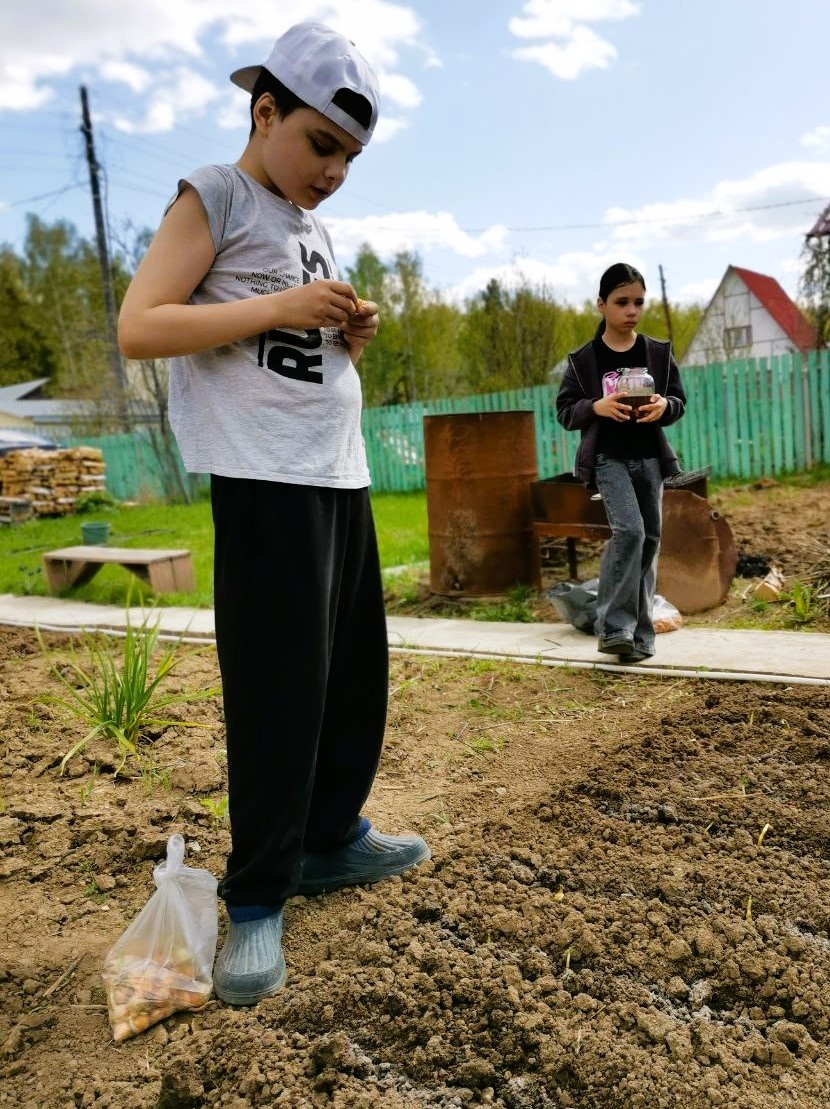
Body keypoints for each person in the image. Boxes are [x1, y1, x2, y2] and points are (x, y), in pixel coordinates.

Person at [117, 21, 429, 1007]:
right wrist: (275, 309)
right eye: (320, 145)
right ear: (264, 112)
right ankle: (256, 898)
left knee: (350, 680)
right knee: (276, 691)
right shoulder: (214, 193)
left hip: (334, 475)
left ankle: (331, 836)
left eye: (349, 157)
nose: (333, 171)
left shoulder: (307, 224)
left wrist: (350, 332)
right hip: (262, 484)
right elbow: (141, 326)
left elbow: (297, 347)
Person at [555, 263, 686, 663]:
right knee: (630, 532)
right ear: (601, 305)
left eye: (638, 302)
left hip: (649, 458)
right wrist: (596, 405)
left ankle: (639, 638)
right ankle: (613, 627)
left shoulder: (657, 353)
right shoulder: (584, 360)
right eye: (622, 302)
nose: (632, 310)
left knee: (649, 540)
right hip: (608, 460)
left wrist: (664, 405)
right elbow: (564, 412)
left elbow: (678, 401)